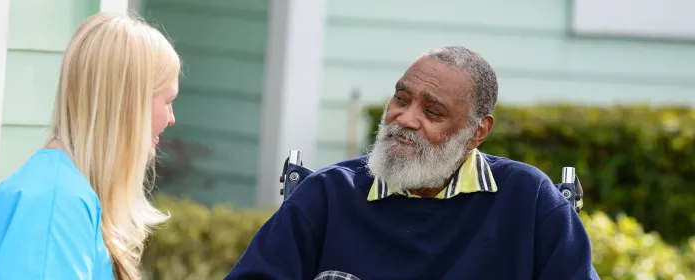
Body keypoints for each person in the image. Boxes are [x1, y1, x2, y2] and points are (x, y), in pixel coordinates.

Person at [225, 46, 599, 280]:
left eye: (431, 111)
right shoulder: (327, 194)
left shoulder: (529, 201)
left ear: (476, 132)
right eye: (401, 99)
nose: (404, 118)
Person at [0, 12, 180, 280]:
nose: (171, 118)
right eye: (167, 101)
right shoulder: (55, 204)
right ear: (128, 104)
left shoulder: (63, 192)